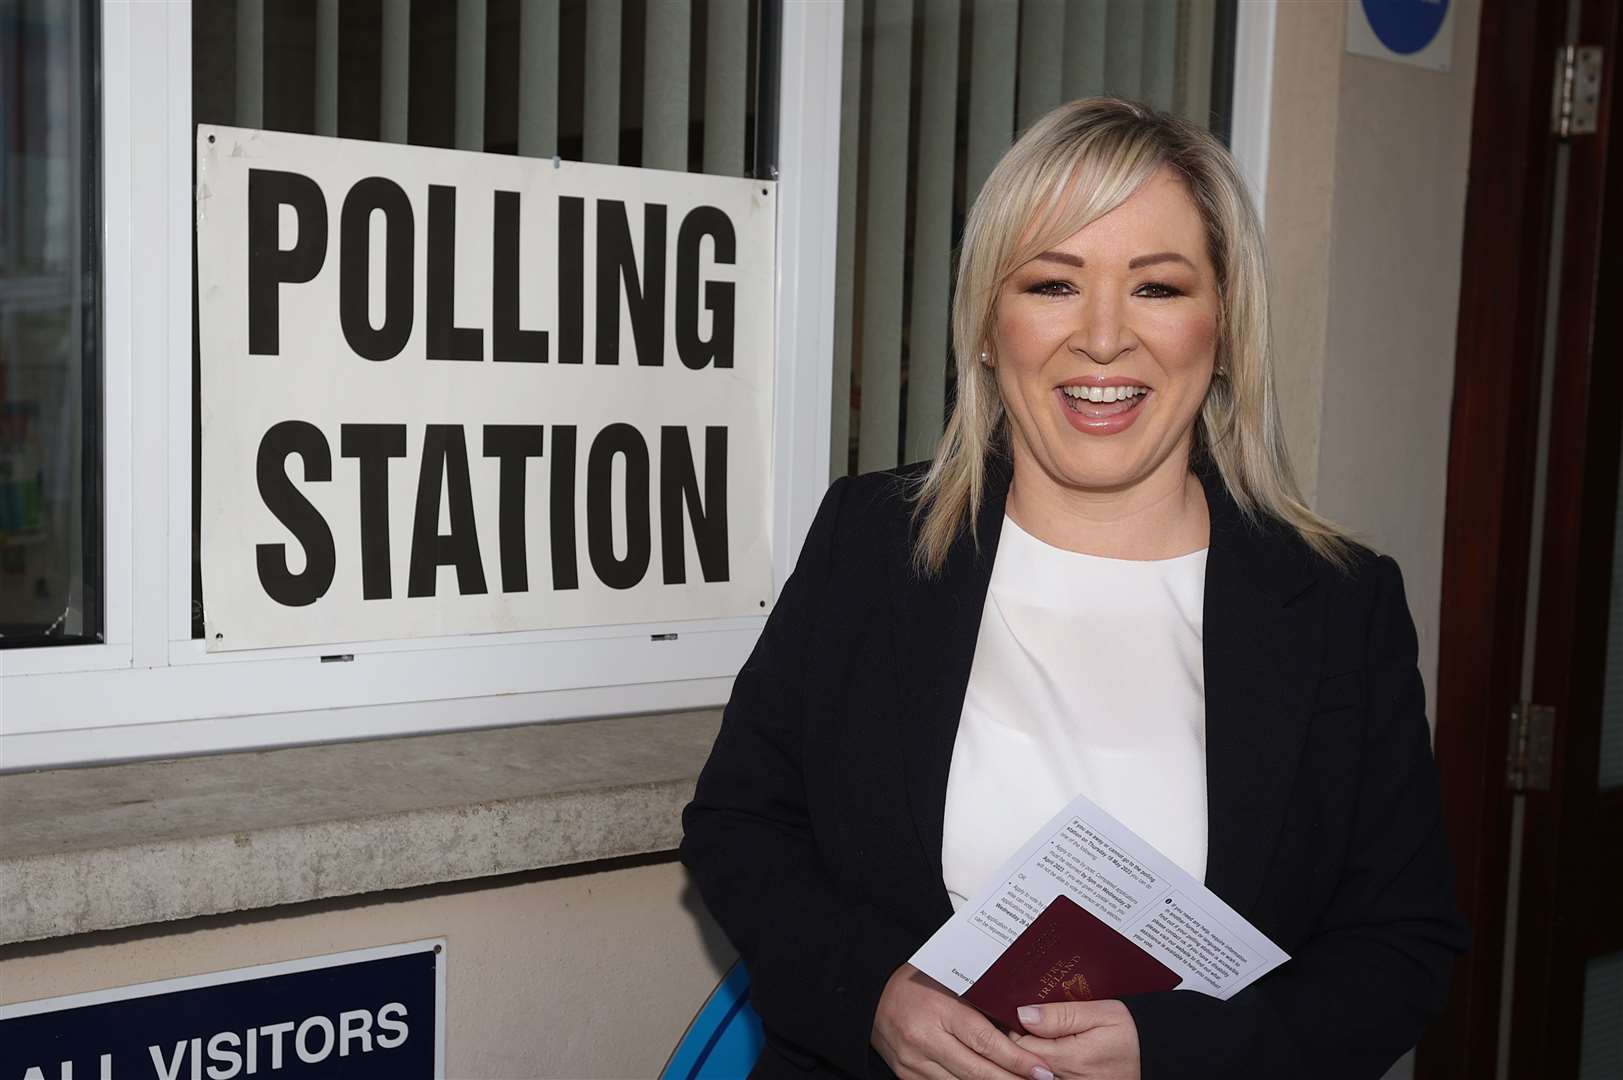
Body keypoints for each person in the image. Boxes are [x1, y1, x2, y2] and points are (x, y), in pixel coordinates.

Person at [679, 98, 1467, 1080]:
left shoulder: (1340, 608)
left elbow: (1400, 948)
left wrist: (1170, 1050)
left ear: (1222, 323)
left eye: (1158, 288)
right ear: (985, 325)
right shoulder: (873, 546)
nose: (1103, 338)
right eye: (1054, 283)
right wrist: (874, 996)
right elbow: (740, 824)